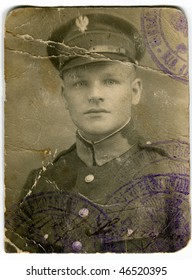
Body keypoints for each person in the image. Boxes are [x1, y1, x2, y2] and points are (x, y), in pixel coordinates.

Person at [5, 13, 190, 253]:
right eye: (80, 83)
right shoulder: (41, 183)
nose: (94, 94)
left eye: (110, 81)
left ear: (134, 92)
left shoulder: (169, 178)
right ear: (64, 95)